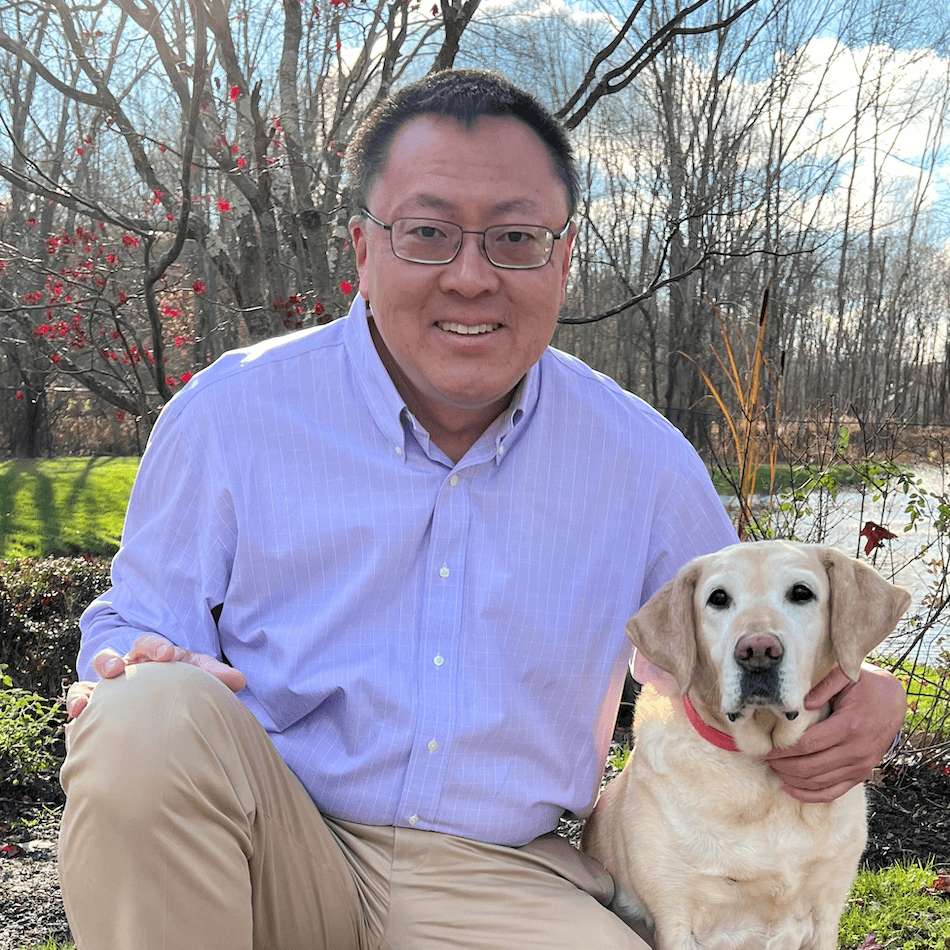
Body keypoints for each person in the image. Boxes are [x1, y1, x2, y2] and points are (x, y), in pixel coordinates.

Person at [58, 69, 906, 950]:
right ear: (361, 246)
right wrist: (137, 657)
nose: (470, 278)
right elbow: (136, 623)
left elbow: (738, 646)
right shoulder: (230, 416)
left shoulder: (644, 462)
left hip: (504, 874)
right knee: (141, 714)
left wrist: (869, 692)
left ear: (563, 256)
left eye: (515, 238)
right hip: (271, 837)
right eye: (426, 233)